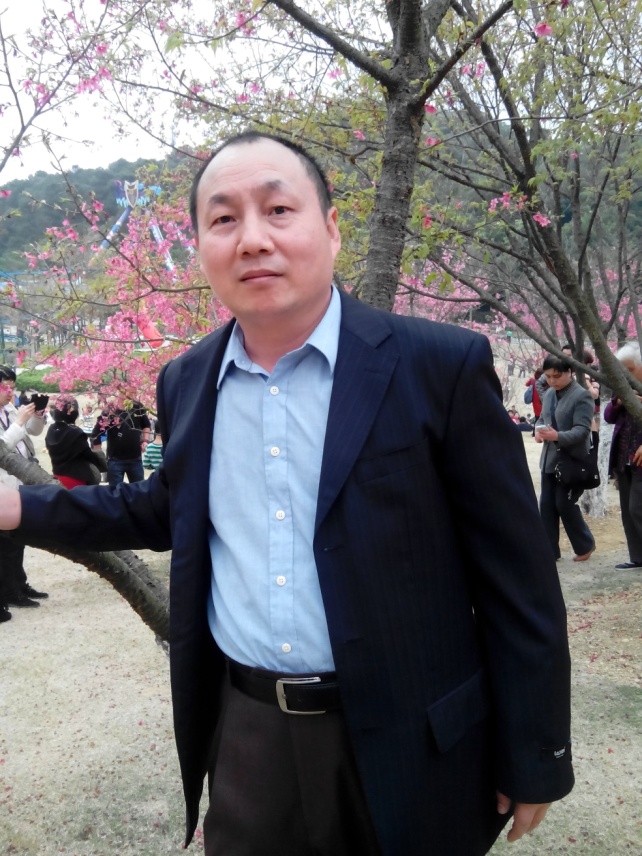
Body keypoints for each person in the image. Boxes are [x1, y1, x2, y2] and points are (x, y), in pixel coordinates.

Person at [0, 132, 574, 855]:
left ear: (331, 228)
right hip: (250, 732)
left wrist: (537, 752)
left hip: (412, 737)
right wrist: (18, 506)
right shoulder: (187, 381)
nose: (252, 239)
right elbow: (162, 506)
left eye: (278, 209)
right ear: (201, 246)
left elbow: (518, 577)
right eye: (223, 219)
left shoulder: (438, 365)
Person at [535, 355, 596, 562]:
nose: (552, 381)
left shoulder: (582, 396)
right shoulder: (549, 394)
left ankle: (585, 544)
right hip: (550, 459)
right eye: (548, 376)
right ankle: (549, 551)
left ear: (569, 372)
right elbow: (542, 418)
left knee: (564, 504)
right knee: (546, 505)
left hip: (572, 461)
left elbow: (582, 430)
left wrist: (557, 436)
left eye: (557, 376)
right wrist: (538, 431)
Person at [0, 366, 48, 621]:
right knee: (6, 542)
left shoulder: (9, 409)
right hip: (4, 484)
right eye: (5, 386)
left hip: (20, 480)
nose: (10, 392)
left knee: (19, 538)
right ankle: (10, 591)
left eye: (12, 386)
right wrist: (19, 422)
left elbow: (34, 432)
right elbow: (3, 447)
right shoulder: (11, 414)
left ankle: (19, 583)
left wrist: (37, 414)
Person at [603, 342, 642, 570]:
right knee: (628, 510)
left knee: (637, 508)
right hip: (623, 456)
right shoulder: (623, 388)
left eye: (629, 369)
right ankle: (637, 557)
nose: (625, 374)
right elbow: (608, 416)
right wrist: (618, 401)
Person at [45, 395, 107, 489]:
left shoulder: (52, 429)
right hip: (76, 477)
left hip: (57, 475)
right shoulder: (76, 432)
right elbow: (87, 454)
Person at [90, 400, 151, 487]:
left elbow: (146, 425)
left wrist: (145, 440)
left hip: (135, 459)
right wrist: (99, 454)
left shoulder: (137, 407)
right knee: (115, 491)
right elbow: (96, 434)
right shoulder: (110, 409)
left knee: (139, 489)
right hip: (115, 460)